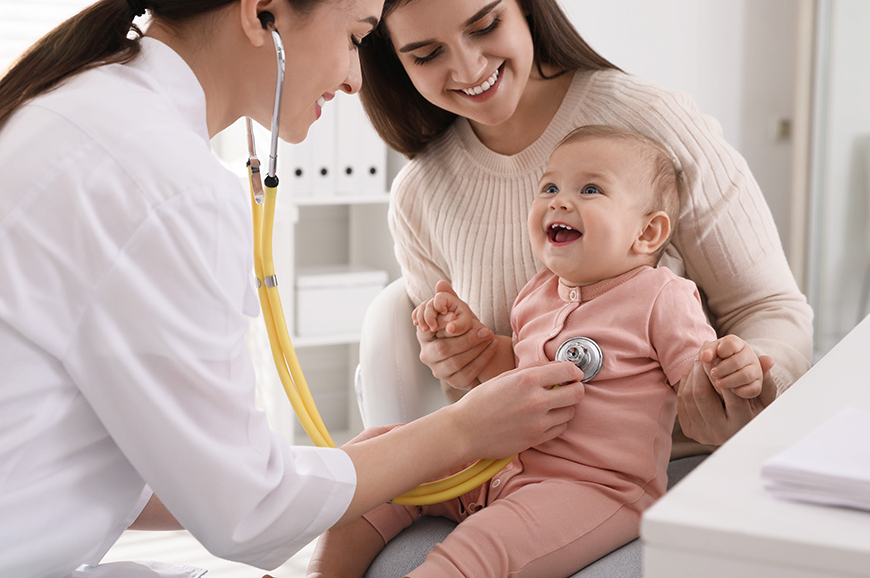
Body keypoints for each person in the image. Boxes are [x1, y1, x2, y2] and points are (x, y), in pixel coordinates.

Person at [0, 0, 588, 576]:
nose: (358, 78)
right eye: (357, 35)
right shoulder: (163, 180)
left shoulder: (79, 108)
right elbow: (249, 514)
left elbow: (137, 464)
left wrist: (349, 467)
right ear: (264, 9)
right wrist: (460, 430)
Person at [356, 0, 812, 455]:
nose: (469, 67)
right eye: (427, 54)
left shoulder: (650, 123)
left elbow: (771, 308)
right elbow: (473, 396)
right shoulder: (421, 194)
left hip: (676, 466)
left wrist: (749, 386)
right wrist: (457, 358)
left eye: (485, 26)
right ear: (393, 60)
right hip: (519, 477)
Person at [311, 125, 768, 576]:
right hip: (496, 464)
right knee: (379, 459)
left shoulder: (661, 296)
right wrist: (474, 342)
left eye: (590, 189)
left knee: (481, 546)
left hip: (591, 487)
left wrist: (730, 371)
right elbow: (514, 371)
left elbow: (698, 383)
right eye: (549, 186)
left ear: (647, 233)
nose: (559, 200)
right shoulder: (537, 293)